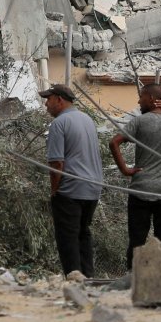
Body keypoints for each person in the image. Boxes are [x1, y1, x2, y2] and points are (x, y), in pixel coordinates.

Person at [111, 83, 161, 273]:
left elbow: (114, 143)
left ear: (151, 99)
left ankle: (133, 279)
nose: (138, 101)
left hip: (141, 190)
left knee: (137, 241)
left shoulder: (139, 122)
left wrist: (125, 170)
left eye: (141, 97)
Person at [44, 84, 104, 278]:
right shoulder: (87, 119)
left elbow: (57, 163)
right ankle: (88, 275)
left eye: (49, 99)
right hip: (93, 187)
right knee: (83, 232)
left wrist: (54, 191)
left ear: (59, 100)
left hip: (71, 188)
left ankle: (73, 275)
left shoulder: (59, 124)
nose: (46, 104)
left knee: (67, 235)